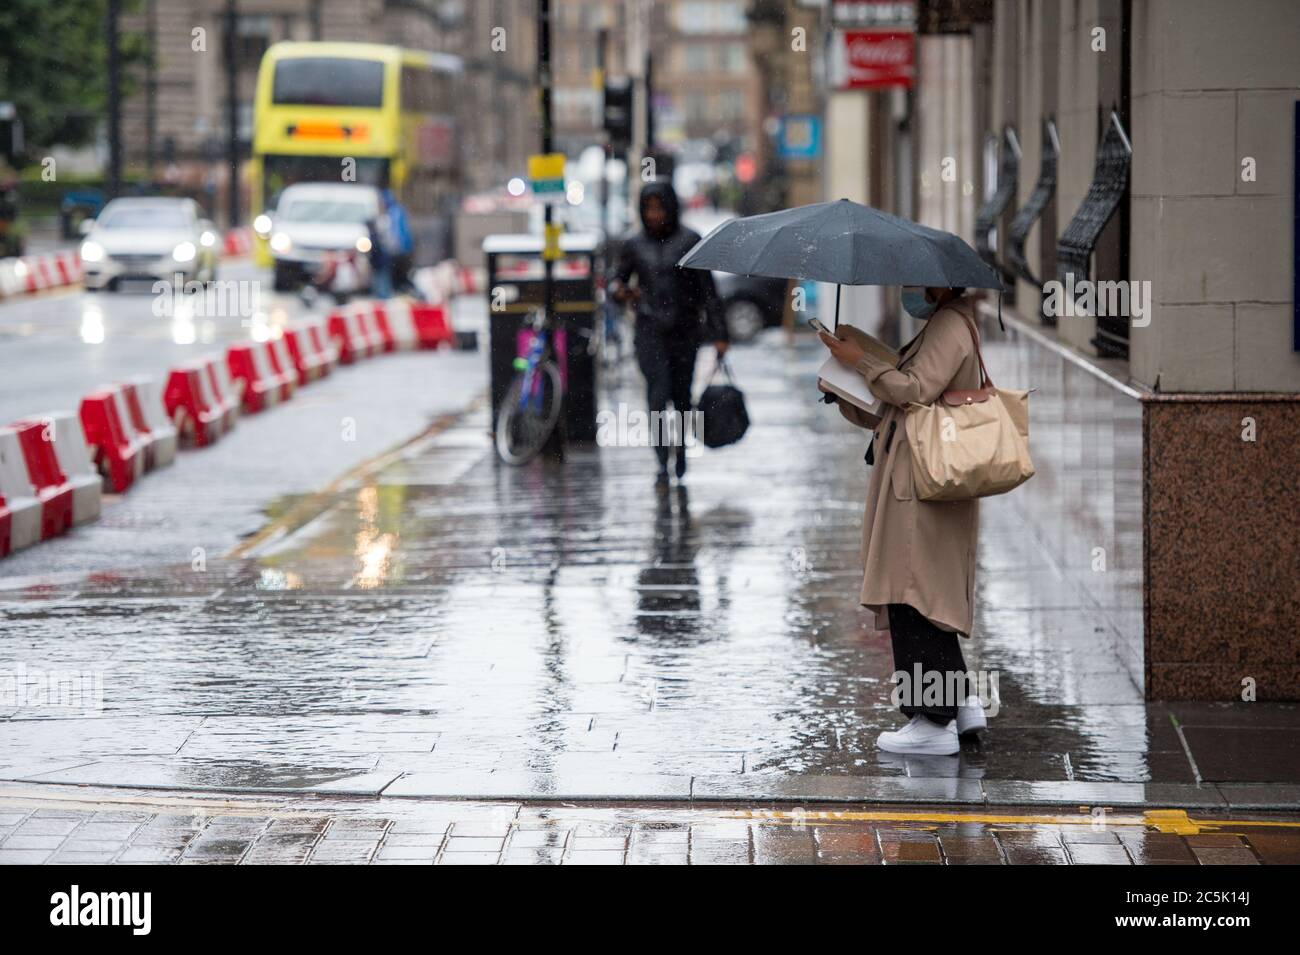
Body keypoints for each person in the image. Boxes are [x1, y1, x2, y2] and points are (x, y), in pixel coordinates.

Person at [818, 286, 986, 756]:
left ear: (941, 283)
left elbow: (912, 392)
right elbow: (892, 408)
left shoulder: (951, 325)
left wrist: (861, 362)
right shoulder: (942, 324)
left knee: (912, 594)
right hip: (914, 477)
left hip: (922, 483)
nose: (909, 288)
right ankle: (961, 702)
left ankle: (933, 722)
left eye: (917, 279)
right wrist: (844, 386)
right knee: (921, 590)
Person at [611, 179, 729, 484]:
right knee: (657, 394)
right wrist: (622, 291)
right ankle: (662, 458)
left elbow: (708, 292)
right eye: (648, 208)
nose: (654, 214)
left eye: (659, 207)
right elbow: (617, 281)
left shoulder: (690, 240)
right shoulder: (633, 245)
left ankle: (681, 448)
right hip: (649, 332)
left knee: (680, 396)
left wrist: (720, 334)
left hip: (684, 331)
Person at [381, 187, 415, 295]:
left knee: (398, 276)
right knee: (401, 275)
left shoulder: (393, 212)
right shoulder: (398, 210)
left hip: (398, 251)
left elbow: (397, 233)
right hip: (402, 250)